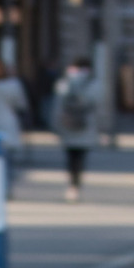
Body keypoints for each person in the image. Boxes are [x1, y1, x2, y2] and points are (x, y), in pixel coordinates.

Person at [50, 58, 100, 201]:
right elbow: (98, 103)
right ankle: (76, 185)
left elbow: (57, 105)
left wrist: (55, 125)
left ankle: (71, 184)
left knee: (70, 156)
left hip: (67, 123)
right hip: (85, 124)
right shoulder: (94, 83)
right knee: (80, 156)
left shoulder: (65, 82)